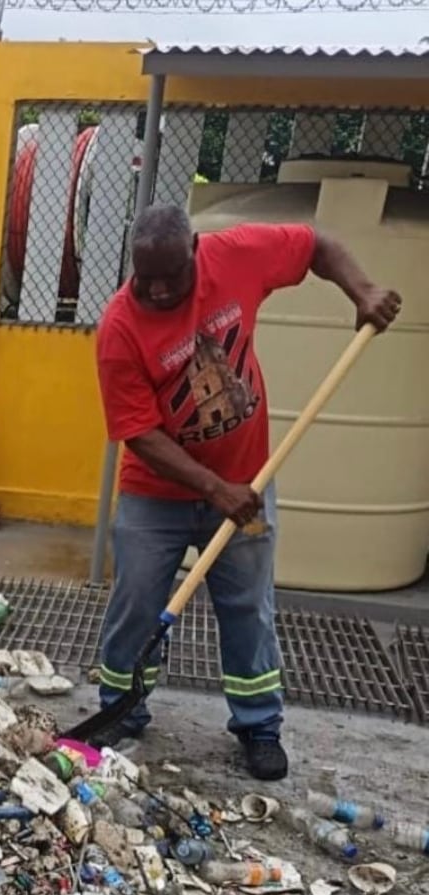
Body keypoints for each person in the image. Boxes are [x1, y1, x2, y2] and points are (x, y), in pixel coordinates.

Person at [94, 203, 400, 781]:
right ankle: (120, 709)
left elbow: (316, 245)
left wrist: (361, 291)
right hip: (157, 496)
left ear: (195, 252)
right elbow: (139, 435)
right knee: (135, 601)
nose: (157, 290)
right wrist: (215, 490)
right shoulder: (119, 328)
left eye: (170, 276)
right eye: (144, 277)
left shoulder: (234, 255)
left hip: (249, 481)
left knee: (248, 607)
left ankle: (259, 725)